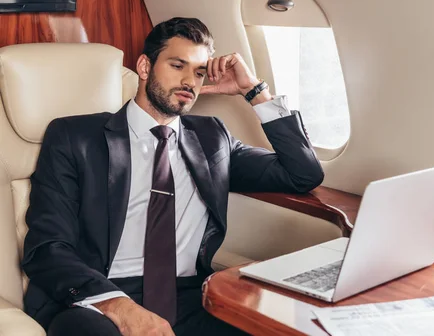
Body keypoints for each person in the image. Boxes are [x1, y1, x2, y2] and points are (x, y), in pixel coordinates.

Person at [21, 17, 324, 336]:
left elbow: (302, 174)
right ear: (144, 67)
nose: (189, 82)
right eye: (177, 66)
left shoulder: (212, 138)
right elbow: (47, 248)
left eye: (199, 72)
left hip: (189, 298)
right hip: (98, 298)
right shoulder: (74, 137)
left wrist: (253, 90)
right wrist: (121, 308)